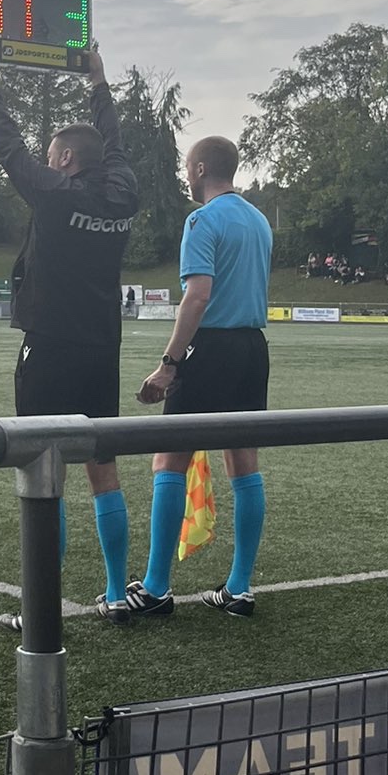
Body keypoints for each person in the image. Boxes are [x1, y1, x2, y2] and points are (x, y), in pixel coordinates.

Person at [0, 40, 141, 623]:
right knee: (103, 467)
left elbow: (6, 145)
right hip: (101, 347)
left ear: (63, 159)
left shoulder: (56, 196)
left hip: (50, 344)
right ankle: (117, 592)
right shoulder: (122, 196)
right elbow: (115, 148)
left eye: (50, 154)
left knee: (43, 467)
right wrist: (99, 84)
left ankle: (42, 608)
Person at [135, 136, 272, 618]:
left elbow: (197, 297)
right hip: (253, 348)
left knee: (168, 461)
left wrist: (169, 364)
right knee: (243, 462)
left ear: (197, 168)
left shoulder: (202, 220)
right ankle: (239, 588)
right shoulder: (259, 220)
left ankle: (155, 588)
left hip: (210, 347)